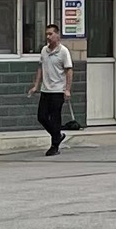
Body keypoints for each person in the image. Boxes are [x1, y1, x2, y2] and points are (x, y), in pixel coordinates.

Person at [27, 24, 73, 157]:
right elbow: (40, 68)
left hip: (58, 90)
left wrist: (67, 89)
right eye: (46, 34)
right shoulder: (44, 50)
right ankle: (58, 135)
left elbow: (69, 71)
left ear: (57, 35)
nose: (48, 37)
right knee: (41, 116)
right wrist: (36, 85)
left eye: (51, 34)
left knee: (55, 117)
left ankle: (54, 146)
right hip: (46, 89)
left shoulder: (63, 51)